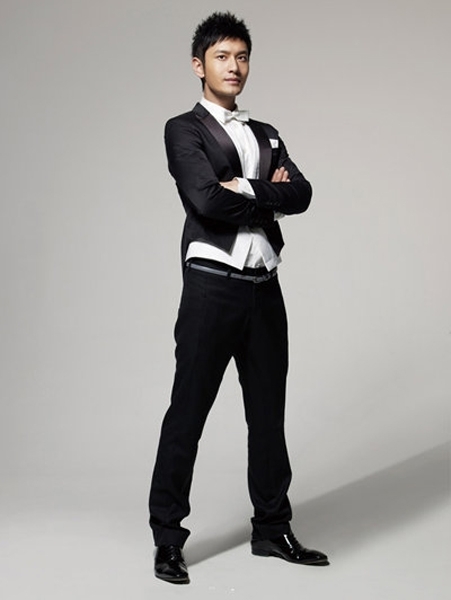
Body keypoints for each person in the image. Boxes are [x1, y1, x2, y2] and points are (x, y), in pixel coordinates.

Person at [148, 11, 328, 584]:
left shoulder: (266, 132)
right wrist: (267, 193)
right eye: (223, 57)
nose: (234, 66)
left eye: (242, 56)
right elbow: (205, 199)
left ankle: (272, 529)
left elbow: (302, 193)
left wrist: (245, 188)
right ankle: (167, 538)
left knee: (268, 415)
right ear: (199, 65)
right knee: (188, 413)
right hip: (212, 286)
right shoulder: (184, 129)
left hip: (264, 288)